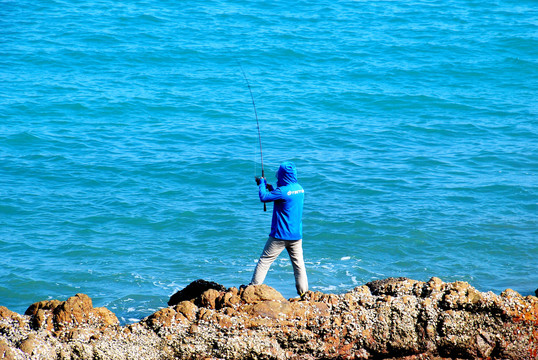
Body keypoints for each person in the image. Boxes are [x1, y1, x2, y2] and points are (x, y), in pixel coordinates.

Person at [250, 161, 308, 297]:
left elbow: (263, 197)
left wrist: (262, 184)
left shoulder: (282, 191)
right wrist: (271, 188)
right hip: (296, 236)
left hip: (279, 236)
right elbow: (284, 196)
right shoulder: (300, 189)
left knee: (265, 260)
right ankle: (304, 294)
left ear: (282, 175)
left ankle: (253, 288)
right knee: (299, 266)